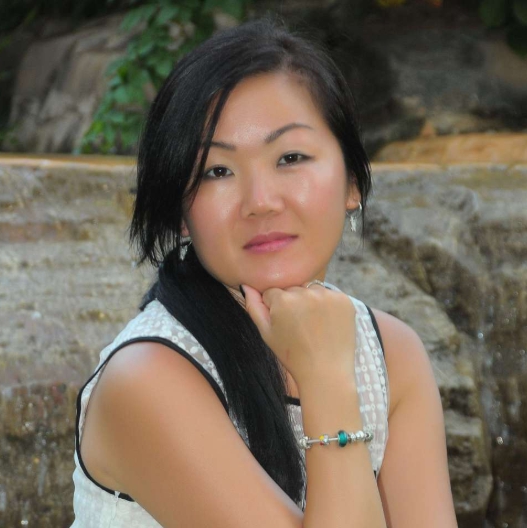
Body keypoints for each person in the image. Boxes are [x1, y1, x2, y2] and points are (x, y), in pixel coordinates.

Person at [70, 18, 458, 527]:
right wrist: (325, 378)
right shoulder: (146, 380)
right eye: (217, 171)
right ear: (181, 213)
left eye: (290, 157)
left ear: (352, 183)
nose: (260, 201)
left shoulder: (394, 356)